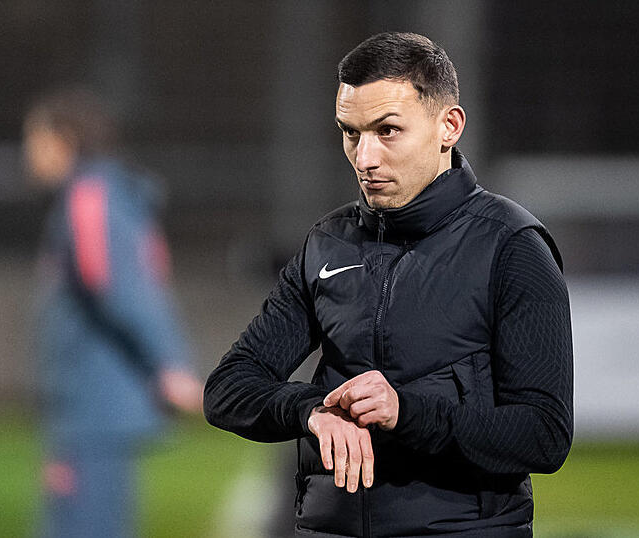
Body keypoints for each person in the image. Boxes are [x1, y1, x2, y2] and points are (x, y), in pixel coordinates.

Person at [204, 32, 573, 537]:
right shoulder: (328, 244)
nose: (364, 158)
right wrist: (310, 410)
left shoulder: (511, 246)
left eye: (387, 131)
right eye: (351, 133)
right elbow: (228, 388)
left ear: (449, 126)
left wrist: (406, 412)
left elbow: (544, 434)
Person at [24, 87, 203, 538]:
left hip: (94, 405)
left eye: (35, 138)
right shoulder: (97, 193)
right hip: (91, 403)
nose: (28, 152)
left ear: (63, 139)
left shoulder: (90, 196)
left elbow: (120, 288)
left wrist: (170, 363)